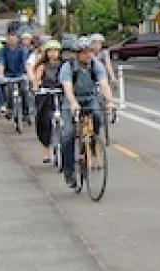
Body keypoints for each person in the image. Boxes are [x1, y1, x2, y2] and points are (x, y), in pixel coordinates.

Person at [59, 38, 117, 188]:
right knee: (68, 134)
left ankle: (92, 141)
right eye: (84, 53)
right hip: (71, 100)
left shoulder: (96, 65)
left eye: (89, 52)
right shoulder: (68, 67)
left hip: (90, 98)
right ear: (76, 54)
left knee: (98, 116)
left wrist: (110, 101)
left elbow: (103, 84)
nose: (88, 55)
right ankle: (69, 171)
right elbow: (67, 88)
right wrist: (73, 103)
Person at [30, 40, 66, 164]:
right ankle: (46, 150)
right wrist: (36, 88)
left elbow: (69, 79)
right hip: (46, 95)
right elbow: (36, 80)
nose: (53, 54)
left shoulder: (64, 65)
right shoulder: (42, 66)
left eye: (55, 51)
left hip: (61, 94)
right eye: (50, 51)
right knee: (45, 122)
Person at [0, 31, 32, 118]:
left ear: (17, 40)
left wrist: (29, 74)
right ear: (7, 40)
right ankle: (10, 109)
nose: (12, 41)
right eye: (10, 39)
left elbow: (26, 63)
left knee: (24, 91)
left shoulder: (21, 50)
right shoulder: (3, 50)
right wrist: (1, 75)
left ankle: (26, 113)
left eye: (14, 39)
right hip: (9, 76)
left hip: (20, 75)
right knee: (8, 91)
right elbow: (1, 63)